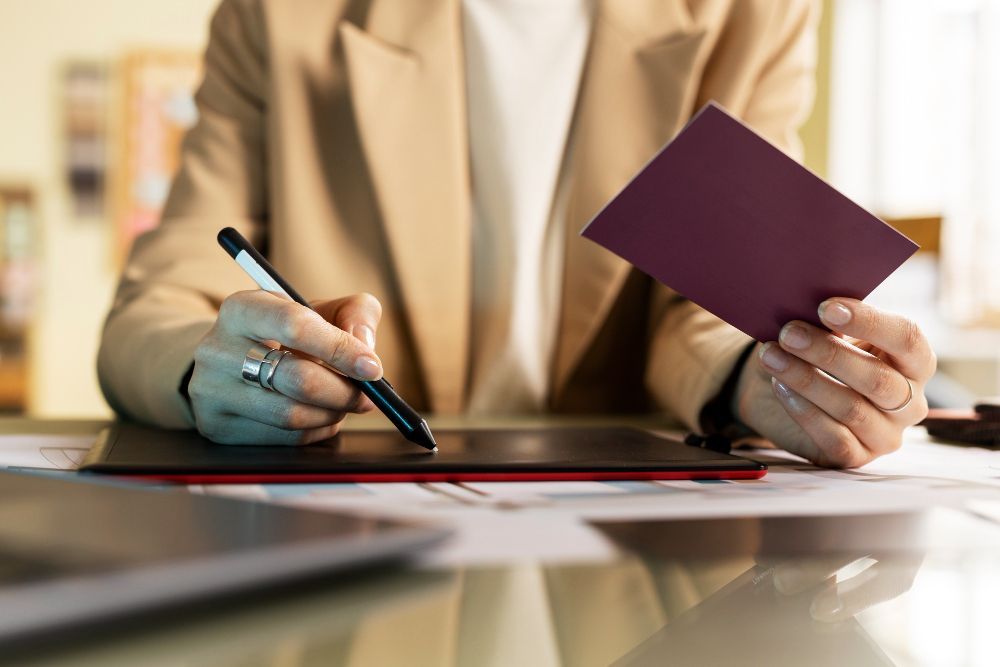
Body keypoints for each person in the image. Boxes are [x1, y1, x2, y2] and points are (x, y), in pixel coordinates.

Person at [98, 0, 935, 468]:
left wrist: (768, 374)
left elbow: (709, 296)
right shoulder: (280, 17)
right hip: (360, 524)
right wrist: (211, 371)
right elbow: (153, 309)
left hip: (643, 542)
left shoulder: (752, 14)